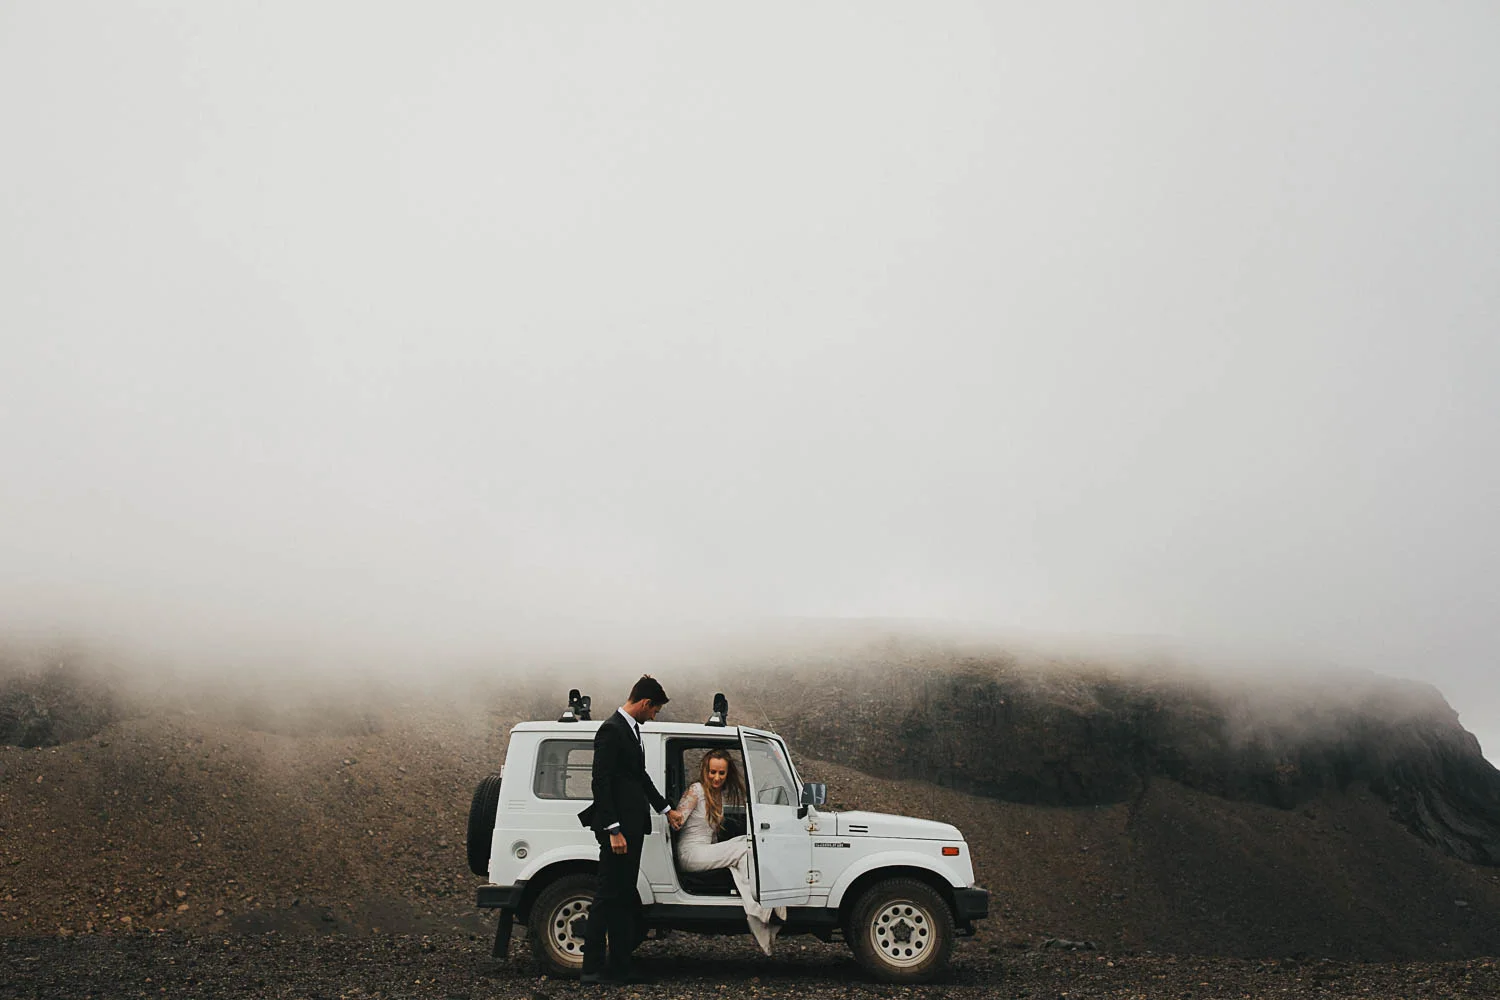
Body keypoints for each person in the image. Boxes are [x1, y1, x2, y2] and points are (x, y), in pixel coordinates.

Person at [576, 675, 673, 986]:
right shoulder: (611, 730)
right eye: (655, 710)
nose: (654, 715)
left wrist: (666, 809)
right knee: (607, 896)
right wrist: (613, 829)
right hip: (618, 831)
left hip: (632, 827)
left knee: (623, 897)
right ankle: (591, 969)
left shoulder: (631, 730)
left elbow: (638, 776)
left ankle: (621, 967)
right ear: (645, 703)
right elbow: (600, 782)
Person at [670, 749, 787, 955]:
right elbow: (678, 819)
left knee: (746, 844)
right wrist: (673, 815)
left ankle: (759, 906)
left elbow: (712, 835)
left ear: (727, 773)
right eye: (712, 772)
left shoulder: (717, 794)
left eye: (721, 773)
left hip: (704, 850)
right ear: (705, 771)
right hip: (690, 853)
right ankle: (761, 907)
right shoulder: (696, 790)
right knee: (744, 846)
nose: (716, 777)